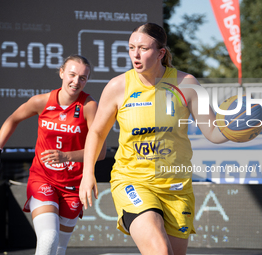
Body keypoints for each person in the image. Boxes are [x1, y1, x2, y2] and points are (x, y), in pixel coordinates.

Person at [79, 23, 227, 255]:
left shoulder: (186, 83)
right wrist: (88, 173)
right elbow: (96, 132)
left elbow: (213, 132)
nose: (135, 55)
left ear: (161, 53)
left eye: (143, 49)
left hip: (176, 188)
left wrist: (237, 130)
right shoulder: (119, 86)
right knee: (160, 250)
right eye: (131, 48)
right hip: (134, 181)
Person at [0, 55, 106, 255]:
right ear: (62, 73)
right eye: (72, 75)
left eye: (83, 78)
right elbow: (13, 119)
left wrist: (66, 156)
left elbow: (101, 152)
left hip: (73, 185)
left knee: (58, 249)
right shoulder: (42, 101)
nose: (76, 81)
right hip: (43, 178)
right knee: (48, 238)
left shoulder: (89, 106)